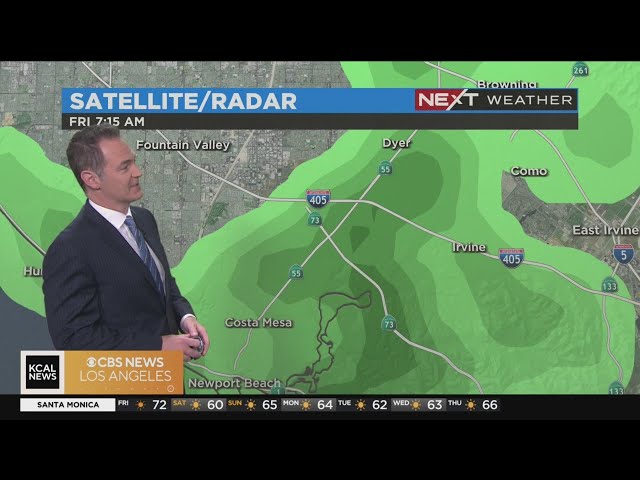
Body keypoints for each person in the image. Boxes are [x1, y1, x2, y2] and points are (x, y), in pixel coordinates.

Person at [43, 124, 209, 361]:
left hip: (166, 378)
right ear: (92, 179)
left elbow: (162, 284)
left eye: (134, 162)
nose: (137, 172)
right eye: (125, 167)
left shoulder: (144, 220)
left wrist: (186, 318)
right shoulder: (71, 249)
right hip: (120, 382)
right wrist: (157, 346)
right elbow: (74, 339)